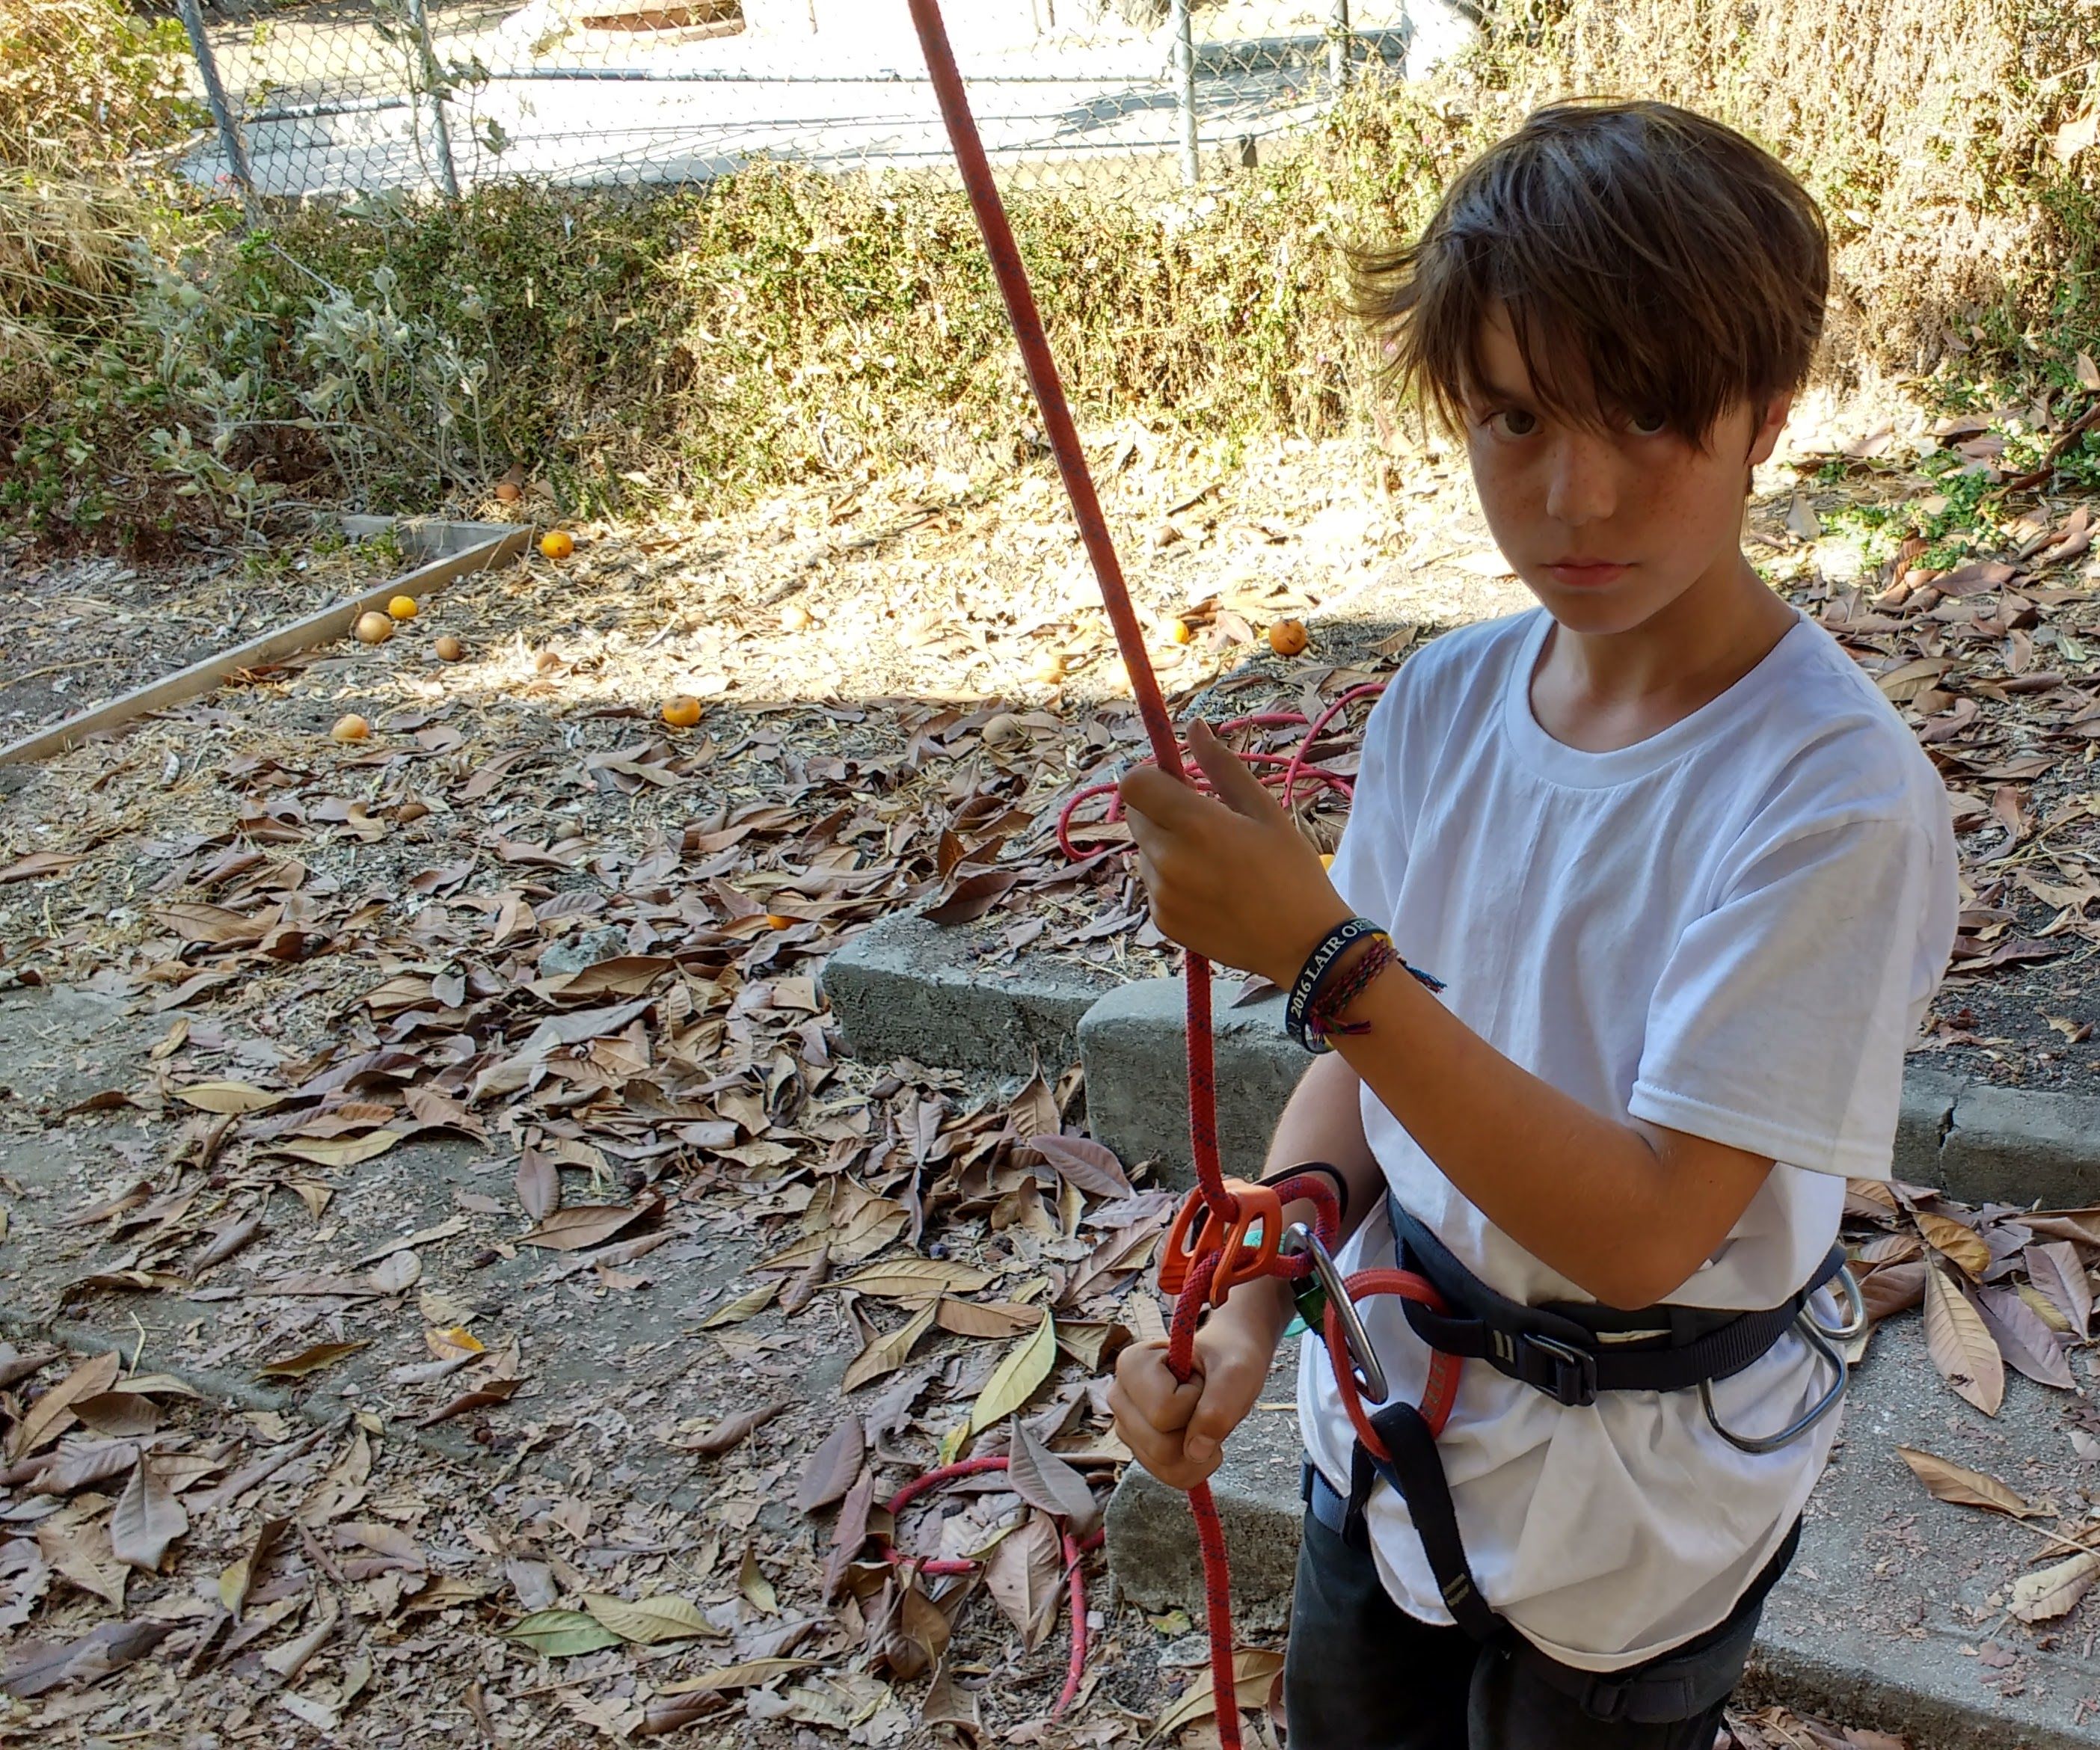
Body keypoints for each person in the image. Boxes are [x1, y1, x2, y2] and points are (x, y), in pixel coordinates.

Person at [1108, 99, 1959, 1749]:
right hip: (1388, 1422)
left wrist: (1323, 957)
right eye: (1511, 418)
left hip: (1639, 1511)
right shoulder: (1445, 700)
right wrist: (1257, 1291)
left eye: (1649, 416)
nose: (1576, 496)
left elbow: (1644, 1232)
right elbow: (1369, 1076)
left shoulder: (1832, 797)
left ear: (1767, 414)